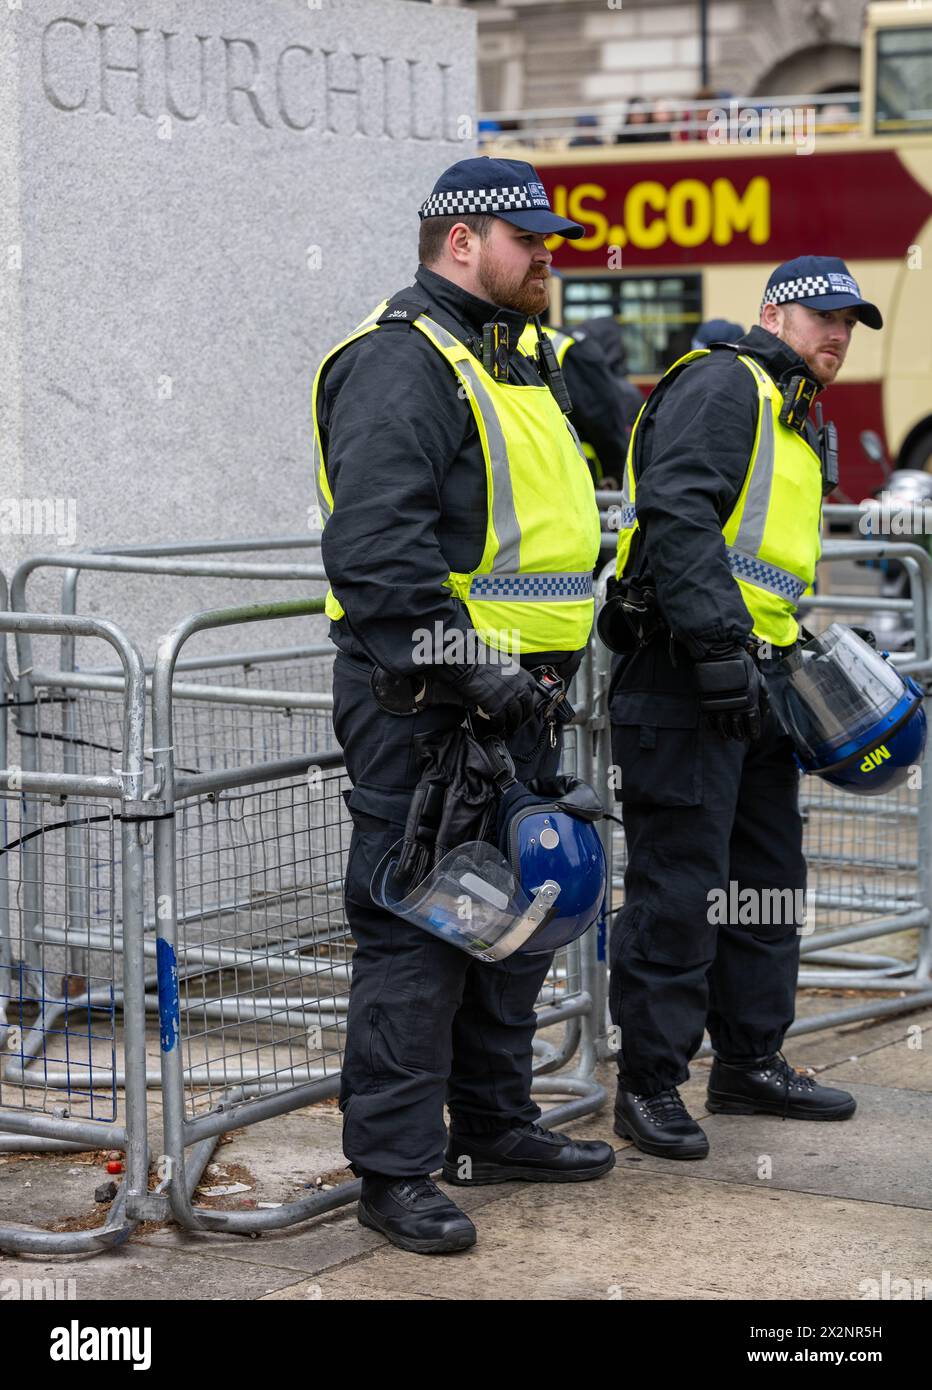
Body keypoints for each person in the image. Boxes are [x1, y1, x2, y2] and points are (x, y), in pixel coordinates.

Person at [312, 155, 615, 1254]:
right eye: (530, 239)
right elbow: (378, 558)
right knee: (419, 937)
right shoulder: (402, 363)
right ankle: (394, 1171)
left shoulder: (516, 362)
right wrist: (473, 671)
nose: (549, 256)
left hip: (518, 699)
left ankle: (492, 1124)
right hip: (429, 704)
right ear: (459, 240)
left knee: (514, 923)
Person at [601, 255, 883, 1159]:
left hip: (751, 680)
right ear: (774, 312)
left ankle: (749, 1060)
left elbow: (763, 562)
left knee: (765, 883)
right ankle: (649, 1085)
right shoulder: (731, 382)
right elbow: (678, 512)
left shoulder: (795, 410)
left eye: (851, 323)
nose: (838, 334)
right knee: (679, 889)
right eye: (823, 317)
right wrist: (721, 646)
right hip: (686, 673)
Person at [516, 318, 631, 485]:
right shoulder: (570, 346)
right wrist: (616, 474)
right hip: (571, 475)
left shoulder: (490, 338)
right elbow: (605, 421)